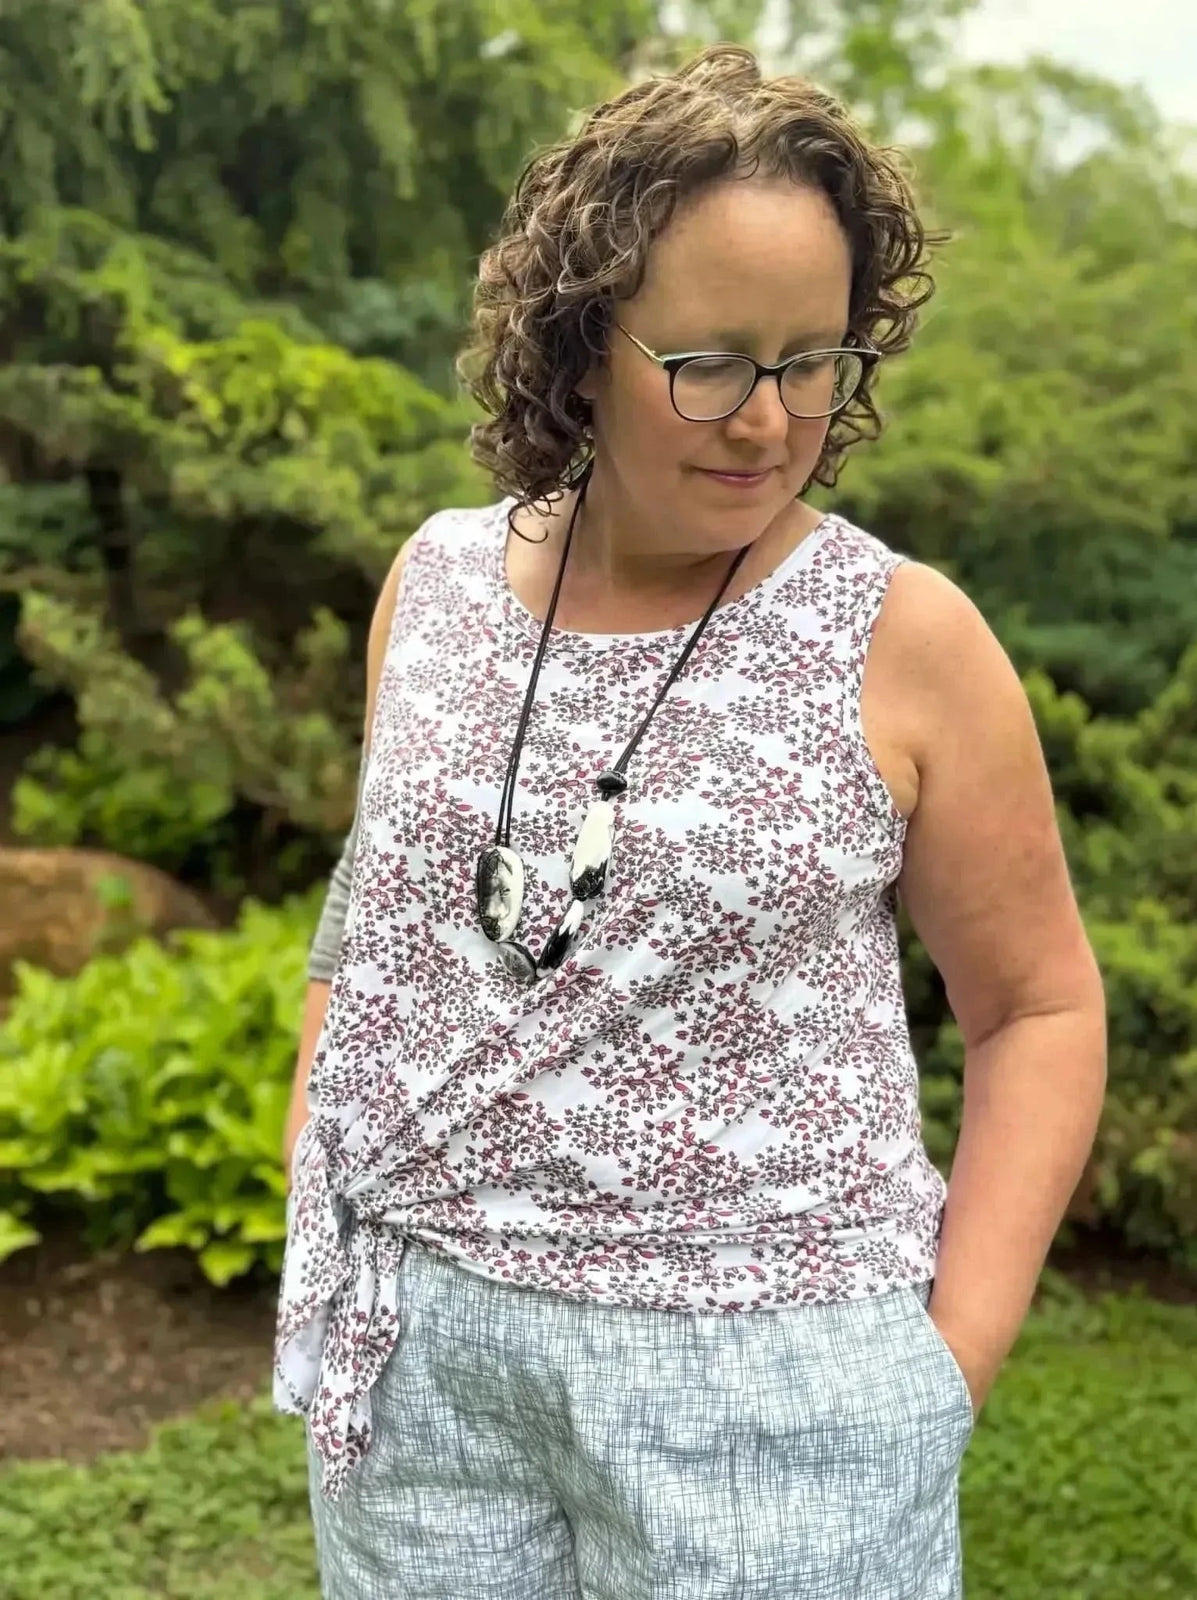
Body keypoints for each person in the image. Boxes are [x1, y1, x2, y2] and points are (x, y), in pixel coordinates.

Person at [275, 43, 1107, 1600]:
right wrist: (313, 1161)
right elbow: (378, 914)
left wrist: (947, 1368)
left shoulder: (903, 639)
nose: (767, 420)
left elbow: (1041, 1006)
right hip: (424, 1380)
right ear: (584, 337)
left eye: (812, 361)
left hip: (771, 1389)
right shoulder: (437, 586)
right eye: (711, 360)